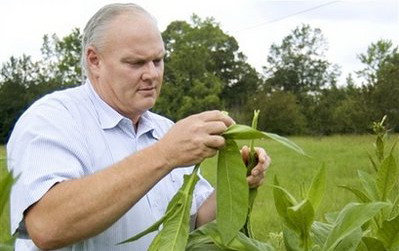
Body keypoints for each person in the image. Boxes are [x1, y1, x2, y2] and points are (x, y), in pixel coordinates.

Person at [7, 3, 271, 250]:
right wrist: (164, 155)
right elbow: (46, 225)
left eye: (158, 60)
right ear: (94, 60)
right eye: (135, 63)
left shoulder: (165, 129)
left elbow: (198, 223)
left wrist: (238, 182)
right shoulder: (52, 118)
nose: (152, 74)